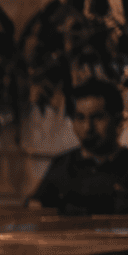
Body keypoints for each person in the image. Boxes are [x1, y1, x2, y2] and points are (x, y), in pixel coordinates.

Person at [25, 78, 128, 215]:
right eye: (80, 118)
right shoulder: (63, 165)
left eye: (97, 117)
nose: (88, 127)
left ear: (119, 121)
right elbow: (35, 209)